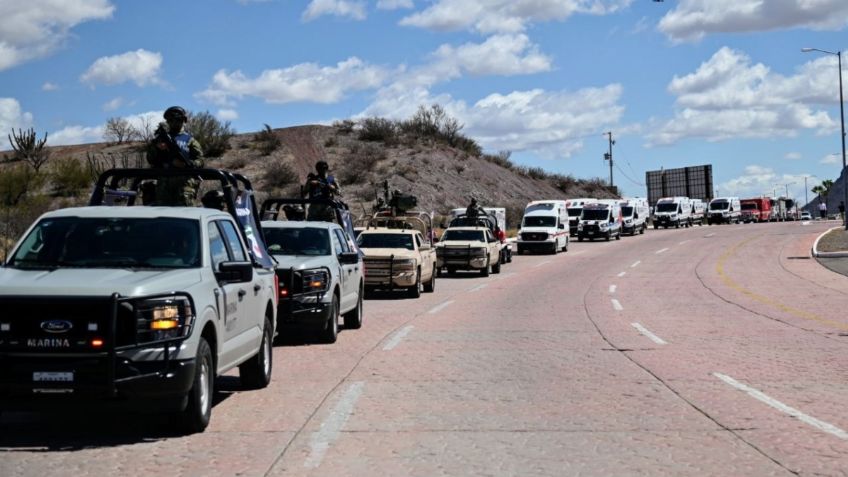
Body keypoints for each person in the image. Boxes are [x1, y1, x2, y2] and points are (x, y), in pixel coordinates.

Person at [146, 106, 204, 206]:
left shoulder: (189, 140)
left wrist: (186, 165)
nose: (174, 122)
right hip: (164, 184)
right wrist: (157, 148)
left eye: (178, 119)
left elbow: (200, 161)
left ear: (183, 120)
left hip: (184, 185)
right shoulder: (161, 139)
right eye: (171, 120)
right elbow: (150, 159)